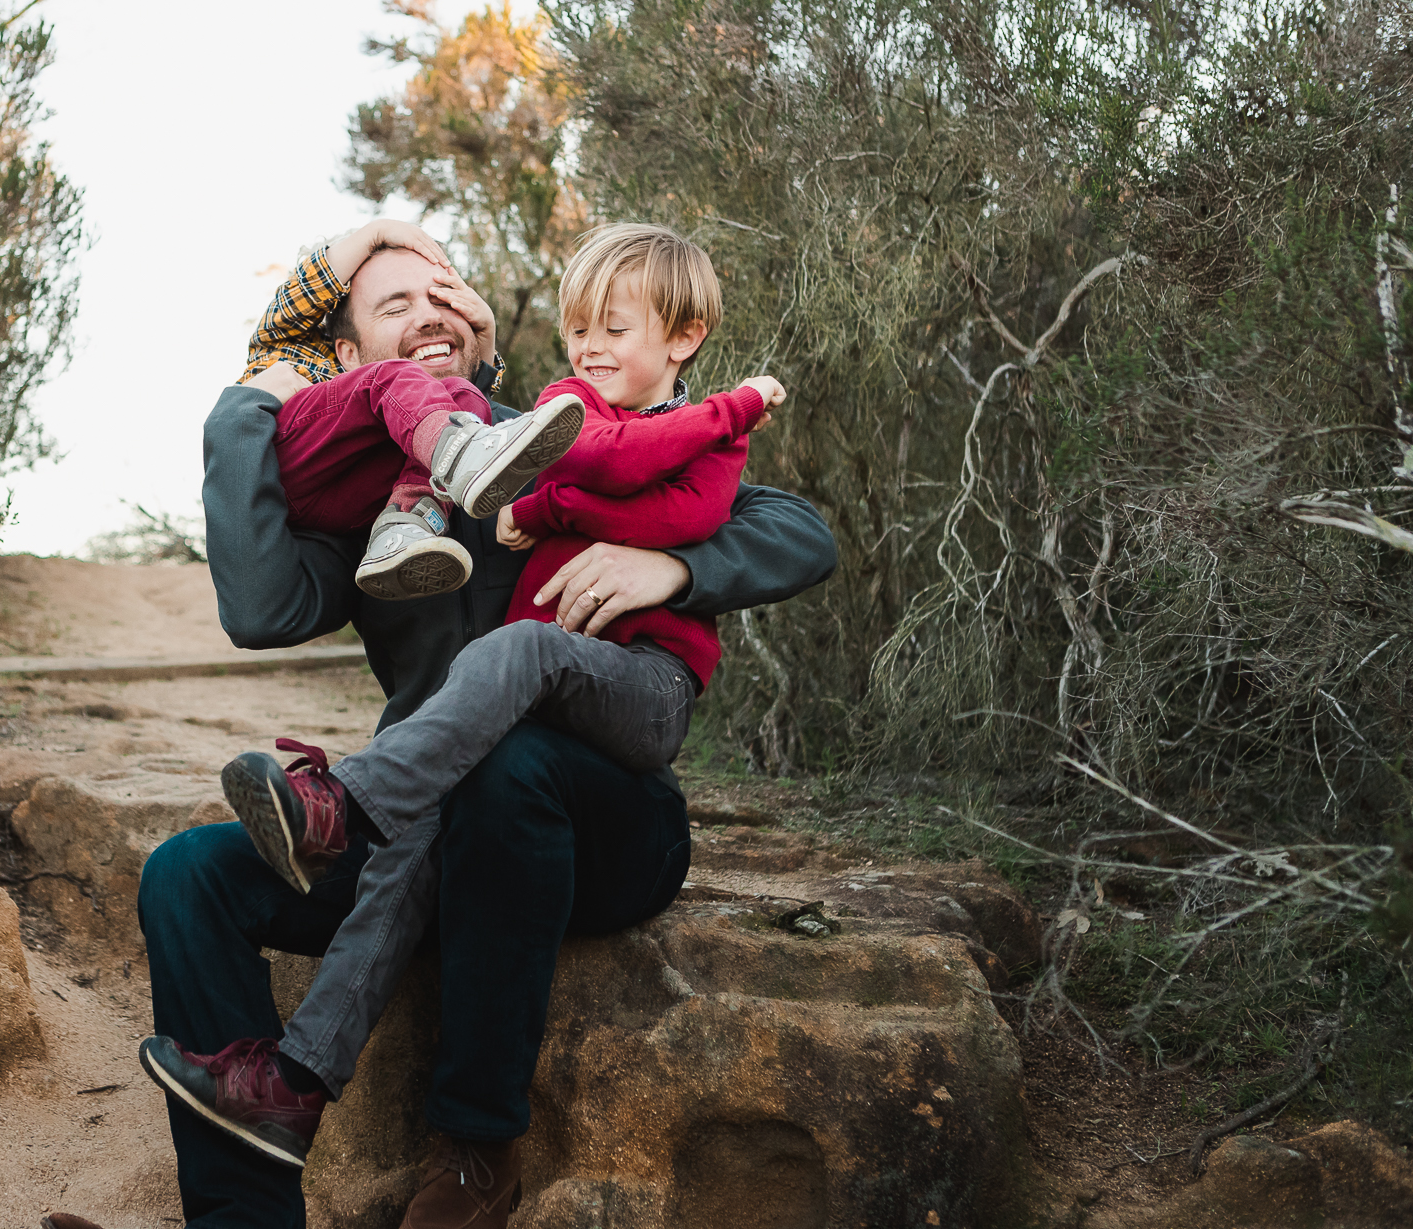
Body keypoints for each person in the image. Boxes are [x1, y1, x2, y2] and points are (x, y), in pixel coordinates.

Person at [43, 220, 838, 1229]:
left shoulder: (561, 439)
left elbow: (795, 529)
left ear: (481, 322)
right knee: (189, 874)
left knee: (507, 766)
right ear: (345, 361)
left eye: (446, 289)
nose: (429, 311)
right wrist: (248, 405)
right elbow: (258, 607)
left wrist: (676, 569)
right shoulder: (377, 513)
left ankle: (472, 1156)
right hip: (411, 838)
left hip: (598, 823)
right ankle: (245, 1211)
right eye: (393, 303)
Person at [237, 218, 591, 600]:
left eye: (443, 300)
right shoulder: (295, 355)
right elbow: (294, 304)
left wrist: (481, 343)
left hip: (352, 498)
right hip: (294, 469)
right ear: (347, 352)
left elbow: (444, 399)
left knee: (460, 396)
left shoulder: (417, 412)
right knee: (392, 377)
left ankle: (403, 528)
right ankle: (461, 457)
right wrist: (375, 234)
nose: (430, 316)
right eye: (395, 309)